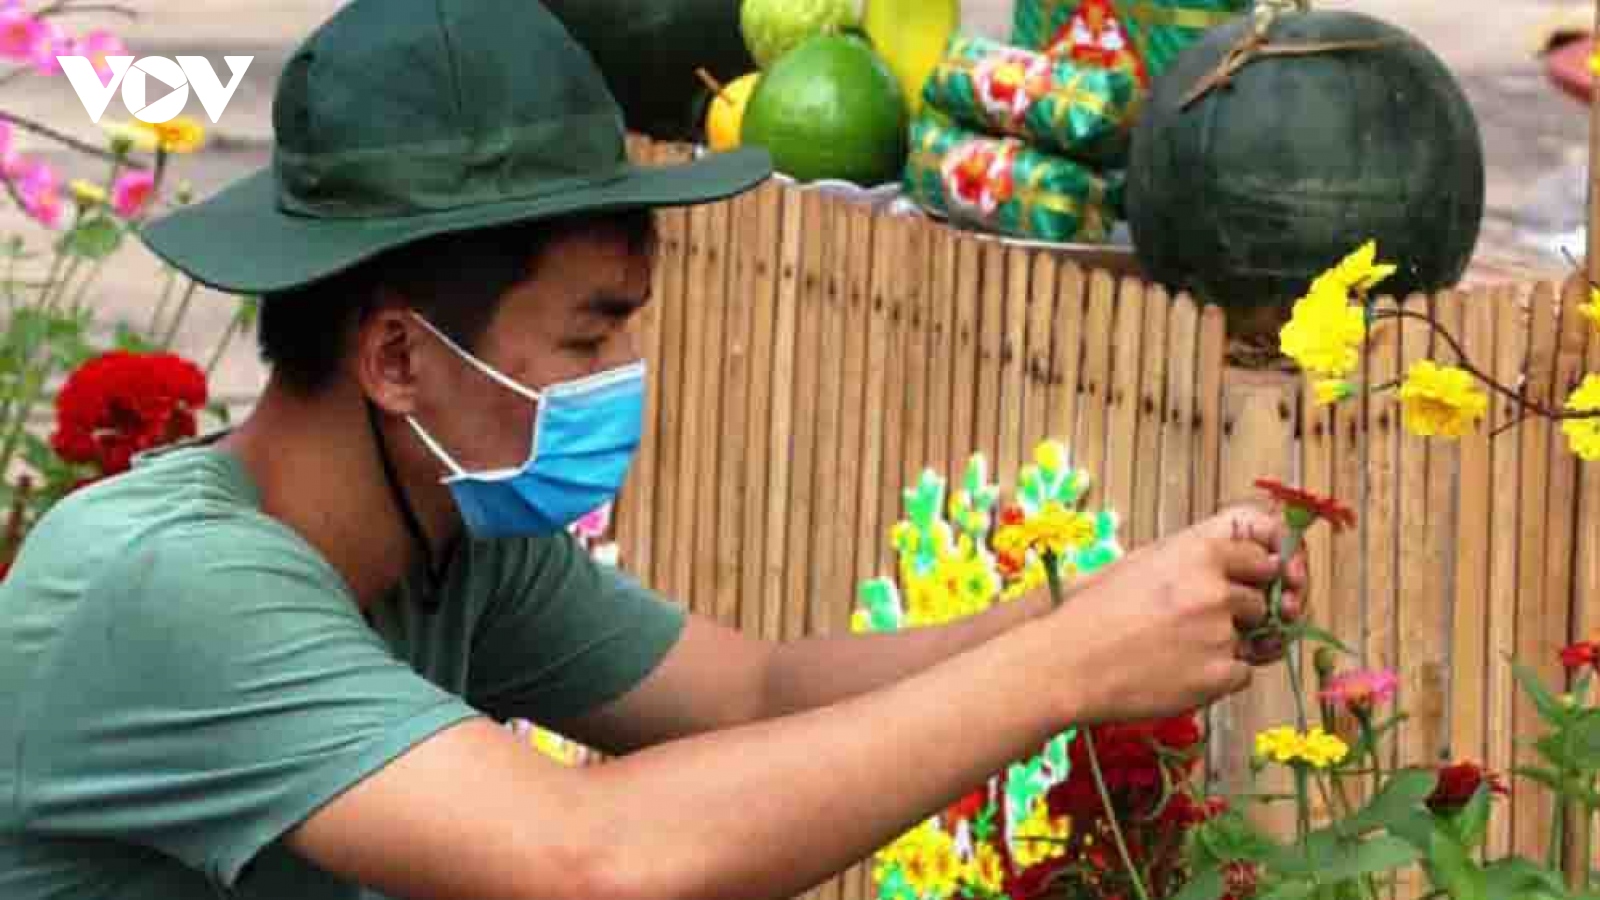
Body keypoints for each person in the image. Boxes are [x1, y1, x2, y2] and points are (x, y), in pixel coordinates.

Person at [0, 2, 1308, 899]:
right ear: (398, 359)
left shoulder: (449, 531)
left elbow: (758, 698)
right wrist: (1069, 670)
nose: (621, 382)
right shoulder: (171, 586)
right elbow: (591, 863)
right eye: (586, 338)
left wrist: (1097, 607)